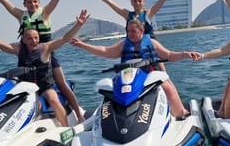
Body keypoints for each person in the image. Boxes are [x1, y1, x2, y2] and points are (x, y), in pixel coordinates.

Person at [0, 0, 84, 122]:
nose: (32, 4)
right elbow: (3, 0)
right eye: (29, 2)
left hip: (47, 52)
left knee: (61, 83)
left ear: (39, 2)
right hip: (27, 53)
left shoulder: (45, 12)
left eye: (35, 1)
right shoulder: (21, 15)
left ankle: (79, 115)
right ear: (24, 3)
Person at [0, 9, 90, 127]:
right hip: (26, 88)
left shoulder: (46, 48)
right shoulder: (19, 50)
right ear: (24, 40)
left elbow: (64, 39)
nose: (33, 41)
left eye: (36, 37)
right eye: (30, 38)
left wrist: (79, 25)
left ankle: (65, 128)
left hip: (45, 87)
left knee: (53, 101)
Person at [70, 19, 198, 118]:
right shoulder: (123, 44)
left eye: (133, 31)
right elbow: (105, 51)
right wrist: (83, 45)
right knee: (110, 93)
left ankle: (180, 113)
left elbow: (168, 55)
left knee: (167, 87)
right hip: (128, 79)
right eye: (128, 31)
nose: (130, 34)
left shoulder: (152, 43)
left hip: (149, 77)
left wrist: (185, 54)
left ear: (141, 31)